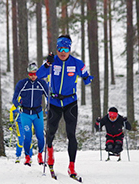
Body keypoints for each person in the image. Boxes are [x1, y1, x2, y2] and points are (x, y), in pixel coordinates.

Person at [36, 34, 94, 178]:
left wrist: (87, 78)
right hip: (54, 102)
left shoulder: (77, 63)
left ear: (69, 49)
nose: (63, 52)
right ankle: (50, 156)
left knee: (71, 134)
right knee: (51, 132)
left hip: (70, 102)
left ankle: (71, 167)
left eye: (66, 48)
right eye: (60, 48)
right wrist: (47, 64)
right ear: (57, 49)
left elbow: (87, 79)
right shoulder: (52, 62)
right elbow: (38, 74)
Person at [12, 62, 48, 166]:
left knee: (40, 135)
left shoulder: (42, 83)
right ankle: (27, 157)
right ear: (28, 74)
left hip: (37, 113)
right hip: (25, 113)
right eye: (31, 74)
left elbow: (48, 97)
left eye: (35, 73)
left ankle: (40, 155)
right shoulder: (22, 83)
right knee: (27, 136)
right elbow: (14, 98)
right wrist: (17, 106)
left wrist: (48, 107)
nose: (33, 76)